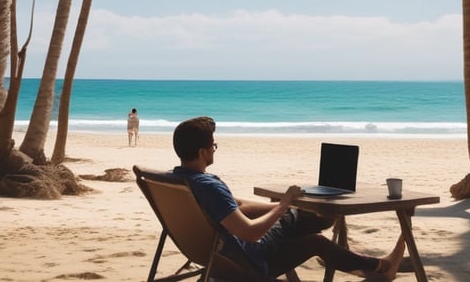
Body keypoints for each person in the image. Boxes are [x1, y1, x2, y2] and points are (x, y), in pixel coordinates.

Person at [171, 116, 405, 280]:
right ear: (202, 152)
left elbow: (237, 206)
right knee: (317, 235)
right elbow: (251, 233)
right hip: (250, 260)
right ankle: (381, 267)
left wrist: (286, 204)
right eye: (213, 146)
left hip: (216, 254)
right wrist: (283, 205)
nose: (214, 149)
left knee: (305, 216)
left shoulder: (177, 181)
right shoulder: (209, 187)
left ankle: (350, 260)